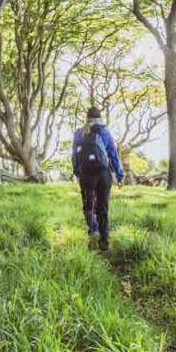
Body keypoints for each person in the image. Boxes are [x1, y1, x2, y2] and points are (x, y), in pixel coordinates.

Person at [72, 106, 124, 251]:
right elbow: (113, 155)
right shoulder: (104, 132)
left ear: (87, 118)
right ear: (99, 118)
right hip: (103, 174)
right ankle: (104, 241)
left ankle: (93, 232)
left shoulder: (79, 133)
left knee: (88, 206)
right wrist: (119, 175)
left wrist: (77, 173)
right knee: (103, 207)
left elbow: (74, 156)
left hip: (86, 175)